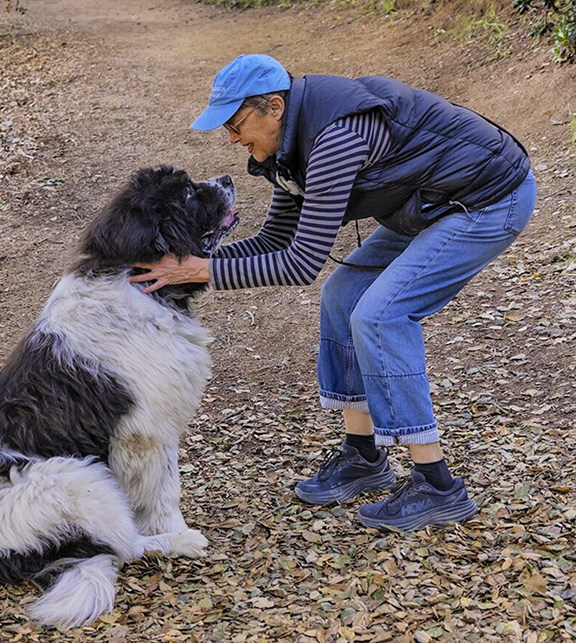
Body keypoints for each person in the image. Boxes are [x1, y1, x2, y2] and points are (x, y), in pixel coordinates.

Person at [130, 54, 537, 531]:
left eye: (237, 126)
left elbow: (301, 263)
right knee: (342, 297)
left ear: (275, 107)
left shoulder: (335, 140)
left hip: (486, 201)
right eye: (229, 131)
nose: (235, 140)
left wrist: (200, 273)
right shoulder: (289, 148)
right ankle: (364, 457)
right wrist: (190, 265)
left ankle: (436, 484)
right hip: (426, 206)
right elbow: (274, 241)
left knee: (381, 315)